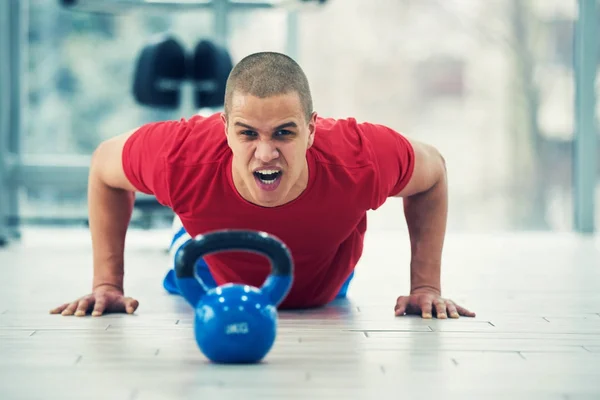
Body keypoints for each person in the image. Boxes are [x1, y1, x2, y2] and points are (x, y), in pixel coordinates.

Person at [50, 51, 475, 319]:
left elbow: (432, 171)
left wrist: (425, 287)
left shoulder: (357, 155)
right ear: (225, 129)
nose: (266, 152)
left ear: (312, 129)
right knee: (185, 253)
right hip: (213, 271)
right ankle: (183, 235)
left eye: (284, 134)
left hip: (323, 281)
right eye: (248, 133)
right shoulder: (181, 154)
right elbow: (105, 165)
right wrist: (108, 283)